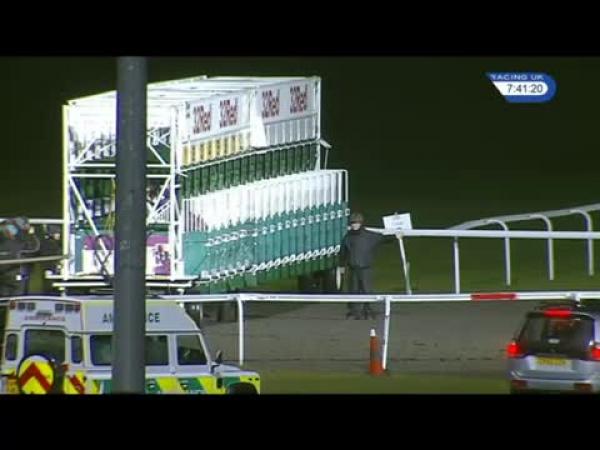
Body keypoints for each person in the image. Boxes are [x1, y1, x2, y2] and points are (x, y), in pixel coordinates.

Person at [339, 212, 394, 320]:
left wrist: (396, 236)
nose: (355, 225)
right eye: (353, 223)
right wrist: (341, 266)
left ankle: (367, 309)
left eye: (357, 223)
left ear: (361, 223)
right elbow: (343, 253)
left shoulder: (369, 236)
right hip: (353, 269)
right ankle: (354, 311)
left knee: (367, 290)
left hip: (365, 269)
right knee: (353, 290)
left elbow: (383, 239)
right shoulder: (347, 237)